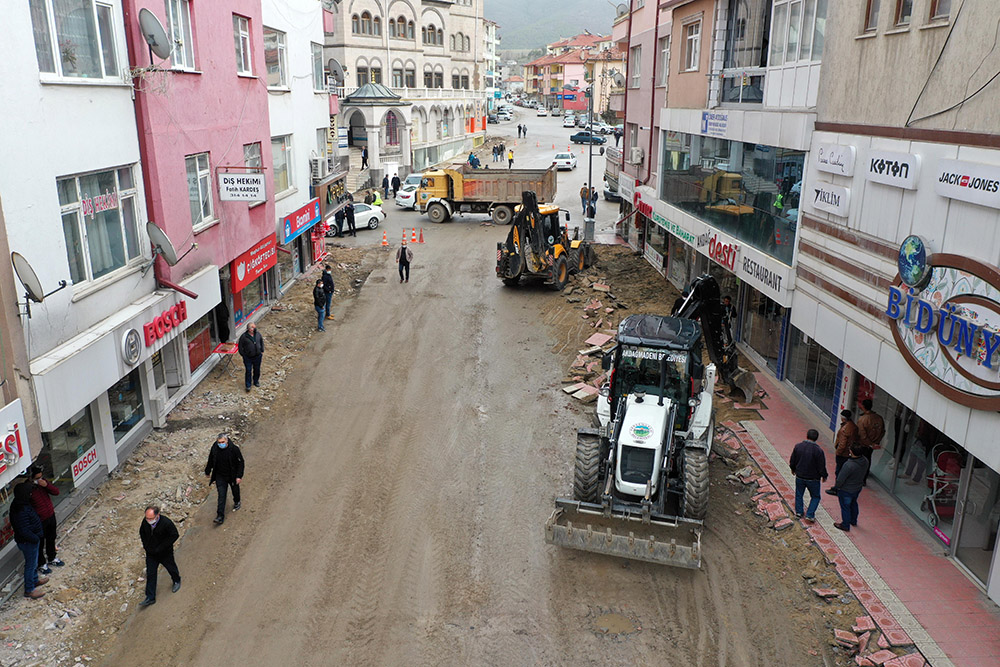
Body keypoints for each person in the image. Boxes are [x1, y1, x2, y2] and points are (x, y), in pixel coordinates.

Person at [11, 482, 47, 599]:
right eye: (29, 492)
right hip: (28, 542)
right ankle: (29, 590)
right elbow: (24, 530)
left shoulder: (20, 504)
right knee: (30, 565)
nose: (31, 494)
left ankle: (35, 580)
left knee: (34, 563)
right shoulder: (20, 510)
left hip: (29, 540)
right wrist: (36, 538)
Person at [138, 506, 181, 606]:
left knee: (171, 567)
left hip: (165, 553)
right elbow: (142, 533)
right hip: (151, 554)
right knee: (151, 573)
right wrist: (146, 547)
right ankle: (150, 597)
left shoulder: (166, 523)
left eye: (151, 518)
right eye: (147, 518)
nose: (148, 520)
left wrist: (162, 547)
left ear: (158, 515)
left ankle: (176, 580)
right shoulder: (145, 523)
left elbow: (174, 535)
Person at [204, 434, 245, 525]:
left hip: (232, 475)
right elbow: (211, 459)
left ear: (227, 441)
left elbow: (241, 462)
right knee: (221, 495)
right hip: (220, 476)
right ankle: (220, 516)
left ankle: (237, 501)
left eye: (223, 442)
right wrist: (207, 471)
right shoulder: (215, 448)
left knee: (235, 490)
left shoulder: (234, 449)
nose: (221, 444)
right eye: (219, 442)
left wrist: (239, 476)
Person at [29, 466, 63, 575]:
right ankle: (41, 564)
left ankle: (52, 557)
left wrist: (46, 485)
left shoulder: (43, 484)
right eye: (37, 478)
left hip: (50, 515)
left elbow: (56, 492)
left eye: (41, 477)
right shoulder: (28, 489)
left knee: (51, 538)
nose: (40, 480)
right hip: (40, 520)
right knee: (40, 542)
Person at [789, 429, 828, 521]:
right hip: (813, 478)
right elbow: (821, 466)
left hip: (800, 476)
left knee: (799, 494)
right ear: (816, 438)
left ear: (807, 436)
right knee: (815, 496)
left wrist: (793, 469)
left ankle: (799, 512)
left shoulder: (798, 447)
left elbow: (793, 460)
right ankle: (810, 514)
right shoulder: (819, 451)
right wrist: (824, 475)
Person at [834, 444, 870, 532]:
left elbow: (840, 479)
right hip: (857, 487)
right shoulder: (865, 461)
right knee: (854, 503)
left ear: (851, 452)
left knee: (845, 507)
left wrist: (837, 487)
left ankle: (845, 525)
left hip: (846, 489)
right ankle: (853, 520)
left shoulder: (848, 465)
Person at [827, 409, 859, 495]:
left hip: (843, 454)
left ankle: (837, 489)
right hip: (849, 453)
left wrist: (838, 452)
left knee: (839, 472)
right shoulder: (853, 426)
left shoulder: (845, 429)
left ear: (843, 418)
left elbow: (842, 443)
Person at [856, 399, 885, 485]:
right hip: (872, 444)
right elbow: (882, 431)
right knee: (868, 459)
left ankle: (861, 479)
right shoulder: (879, 418)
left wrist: (870, 443)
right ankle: (864, 476)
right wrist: (875, 443)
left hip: (864, 444)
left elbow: (862, 435)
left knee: (861, 461)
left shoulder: (863, 419)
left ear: (863, 407)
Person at [238, 323, 264, 393]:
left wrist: (262, 350)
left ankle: (256, 381)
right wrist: (243, 355)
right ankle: (248, 385)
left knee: (257, 369)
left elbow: (261, 341)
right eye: (253, 328)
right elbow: (240, 347)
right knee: (248, 370)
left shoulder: (258, 334)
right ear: (249, 329)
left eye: (254, 328)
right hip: (248, 357)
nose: (254, 329)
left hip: (257, 356)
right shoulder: (244, 337)